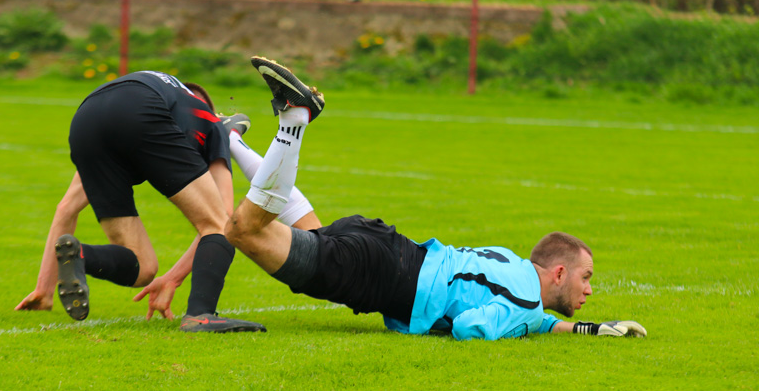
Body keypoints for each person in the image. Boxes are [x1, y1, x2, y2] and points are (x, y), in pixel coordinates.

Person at [224, 57, 648, 340]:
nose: (589, 288)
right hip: (385, 274)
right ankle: (294, 119)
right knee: (244, 231)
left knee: (303, 236)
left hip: (392, 251)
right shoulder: (523, 299)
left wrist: (588, 330)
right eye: (585, 276)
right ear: (558, 273)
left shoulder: (518, 274)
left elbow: (530, 314)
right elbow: (470, 327)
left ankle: (228, 140)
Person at [11, 71, 312, 333]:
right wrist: (176, 278)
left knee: (143, 267)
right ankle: (200, 316)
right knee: (217, 224)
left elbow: (66, 209)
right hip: (140, 108)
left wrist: (44, 289)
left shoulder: (164, 98)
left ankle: (81, 255)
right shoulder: (209, 120)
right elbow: (225, 223)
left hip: (86, 117)